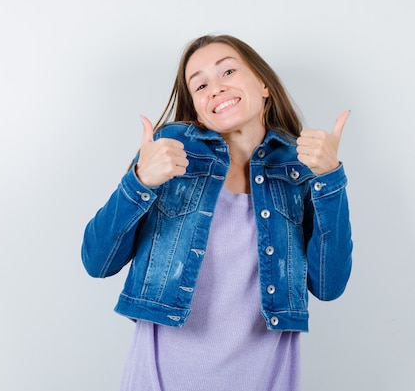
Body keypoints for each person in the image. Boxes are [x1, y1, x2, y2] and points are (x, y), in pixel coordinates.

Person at [81, 34, 353, 391]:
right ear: (197, 109)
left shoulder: (298, 168)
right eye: (201, 85)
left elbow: (329, 286)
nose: (216, 88)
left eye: (227, 71)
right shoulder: (169, 155)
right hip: (165, 378)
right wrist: (139, 181)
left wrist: (331, 180)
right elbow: (98, 262)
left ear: (264, 83)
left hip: (265, 377)